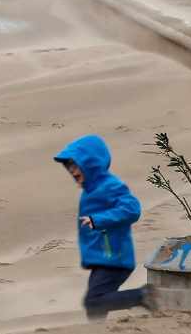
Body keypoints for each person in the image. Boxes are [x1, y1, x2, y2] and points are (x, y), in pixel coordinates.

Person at [54, 135, 148, 322]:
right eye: (68, 166)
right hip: (103, 258)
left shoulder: (109, 186)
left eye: (75, 165)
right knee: (95, 307)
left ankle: (144, 296)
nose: (72, 171)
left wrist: (98, 220)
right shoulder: (92, 189)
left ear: (91, 163)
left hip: (113, 257)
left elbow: (132, 209)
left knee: (94, 301)